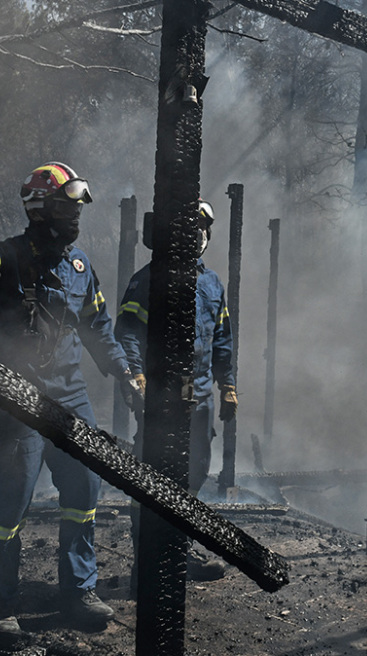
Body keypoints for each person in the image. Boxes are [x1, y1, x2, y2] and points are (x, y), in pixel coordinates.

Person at [0, 162, 139, 633]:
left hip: (70, 394)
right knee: (11, 499)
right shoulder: (6, 257)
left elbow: (97, 328)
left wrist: (127, 374)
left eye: (76, 209)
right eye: (66, 207)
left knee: (84, 489)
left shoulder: (79, 265)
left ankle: (78, 593)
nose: (74, 217)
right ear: (40, 208)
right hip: (17, 393)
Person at [115, 200, 237, 583]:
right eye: (191, 226)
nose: (197, 233)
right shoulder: (147, 279)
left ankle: (177, 553)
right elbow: (128, 333)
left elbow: (221, 339)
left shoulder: (212, 283)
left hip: (199, 395)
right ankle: (144, 564)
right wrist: (137, 377)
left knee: (195, 472)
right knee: (150, 476)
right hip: (159, 394)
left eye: (202, 226)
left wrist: (228, 384)